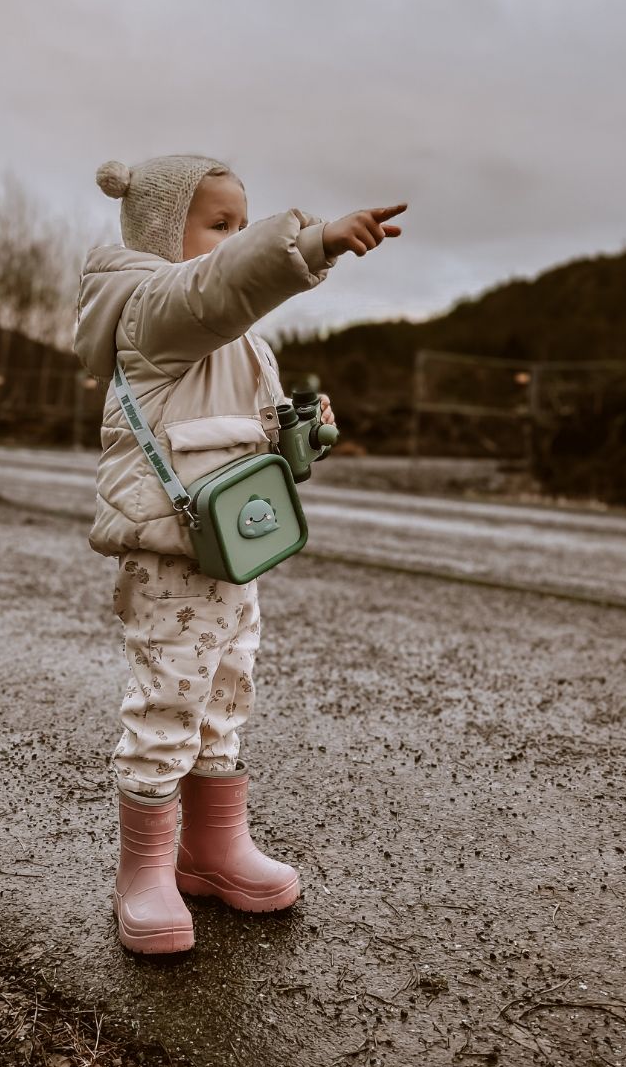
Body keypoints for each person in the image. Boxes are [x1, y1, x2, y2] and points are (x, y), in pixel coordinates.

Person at [73, 154, 405, 953]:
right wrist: (311, 242)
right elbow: (217, 287)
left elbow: (255, 444)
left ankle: (213, 847)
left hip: (231, 551)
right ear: (162, 233)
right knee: (168, 703)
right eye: (218, 225)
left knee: (225, 692)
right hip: (170, 556)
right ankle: (144, 872)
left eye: (240, 224)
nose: (233, 239)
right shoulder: (150, 310)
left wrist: (301, 434)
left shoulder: (240, 343)